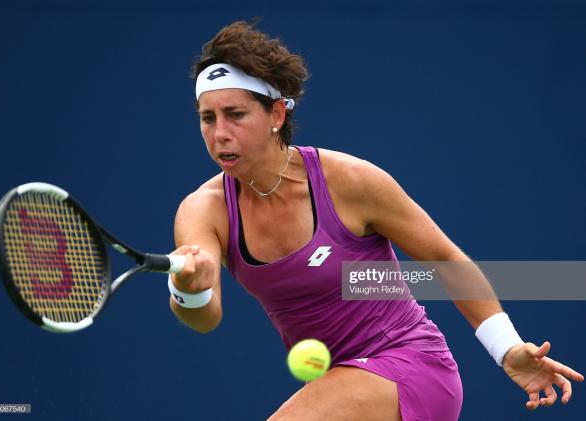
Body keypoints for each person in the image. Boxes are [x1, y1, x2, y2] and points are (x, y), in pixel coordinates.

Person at [167, 21, 583, 421]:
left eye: (235, 114)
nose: (219, 133)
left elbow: (443, 258)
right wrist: (190, 290)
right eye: (208, 118)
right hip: (341, 380)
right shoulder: (203, 209)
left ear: (276, 114)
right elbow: (205, 317)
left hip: (411, 363)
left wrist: (507, 349)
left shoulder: (349, 181)